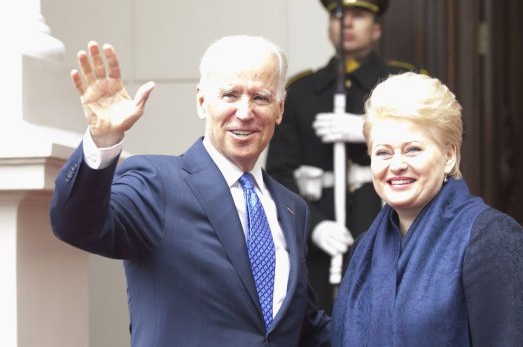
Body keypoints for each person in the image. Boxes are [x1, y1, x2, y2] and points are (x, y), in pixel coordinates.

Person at [49, 36, 331, 346]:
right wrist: (103, 139)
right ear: (202, 102)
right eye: (230, 95)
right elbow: (76, 224)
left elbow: (302, 327)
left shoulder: (292, 209)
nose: (245, 112)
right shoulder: (156, 182)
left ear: (279, 109)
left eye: (260, 98)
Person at [331, 72, 523, 346]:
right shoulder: (365, 249)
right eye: (383, 152)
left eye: (412, 150)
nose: (396, 164)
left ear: (449, 156)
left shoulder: (493, 239)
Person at [266, 0, 426, 313]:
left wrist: (370, 129)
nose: (347, 22)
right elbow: (279, 175)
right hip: (322, 245)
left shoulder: (405, 83)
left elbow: (441, 139)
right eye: (338, 15)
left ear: (377, 28)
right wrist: (314, 224)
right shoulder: (303, 91)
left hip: (389, 227)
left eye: (359, 15)